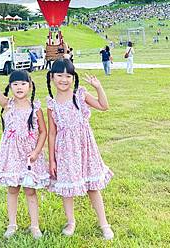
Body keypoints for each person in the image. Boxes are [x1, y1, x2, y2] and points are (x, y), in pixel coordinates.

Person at [0, 61, 49, 239]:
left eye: (23, 83)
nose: (19, 87)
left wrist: (37, 152)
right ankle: (12, 224)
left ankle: (34, 226)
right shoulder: (7, 105)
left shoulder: (36, 108)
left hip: (29, 156)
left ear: (30, 86)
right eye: (15, 84)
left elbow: (43, 132)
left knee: (30, 190)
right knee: (12, 189)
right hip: (11, 155)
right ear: (10, 86)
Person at [46, 59, 114, 240]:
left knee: (92, 186)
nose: (64, 79)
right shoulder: (52, 104)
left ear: (73, 77)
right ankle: (71, 221)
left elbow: (104, 106)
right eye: (59, 75)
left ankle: (104, 223)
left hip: (85, 148)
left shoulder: (80, 95)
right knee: (67, 187)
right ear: (52, 77)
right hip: (65, 151)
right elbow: (52, 133)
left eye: (68, 76)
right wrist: (52, 159)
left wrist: (98, 87)